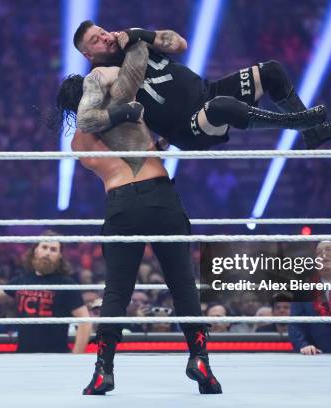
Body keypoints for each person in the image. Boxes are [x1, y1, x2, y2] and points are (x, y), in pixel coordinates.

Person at [57, 40, 222, 395]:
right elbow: (148, 144)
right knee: (181, 283)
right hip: (160, 197)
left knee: (117, 289)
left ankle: (104, 370)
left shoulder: (78, 146)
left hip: (120, 204)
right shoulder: (126, 109)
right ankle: (201, 360)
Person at [69, 21, 331, 151]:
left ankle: (313, 133)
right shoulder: (100, 75)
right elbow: (87, 118)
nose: (104, 38)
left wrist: (140, 33)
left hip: (207, 93)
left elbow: (180, 44)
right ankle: (293, 123)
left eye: (102, 32)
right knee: (218, 108)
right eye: (95, 40)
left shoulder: (135, 42)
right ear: (87, 54)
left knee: (272, 71)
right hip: (188, 128)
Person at [0, 234, 92, 353]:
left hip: (56, 356)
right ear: (35, 251)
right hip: (24, 355)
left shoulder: (66, 284)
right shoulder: (23, 279)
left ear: (60, 256)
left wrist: (76, 356)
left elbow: (84, 320)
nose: (48, 252)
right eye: (44, 247)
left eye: (53, 249)